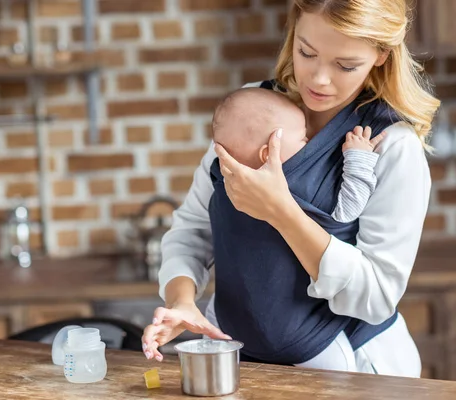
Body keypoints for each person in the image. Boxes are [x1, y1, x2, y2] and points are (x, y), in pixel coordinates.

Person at [142, 0, 439, 377]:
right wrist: (182, 301)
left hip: (352, 369)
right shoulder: (251, 111)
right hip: (240, 358)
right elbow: (193, 229)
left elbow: (376, 296)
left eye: (345, 65)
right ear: (293, 31)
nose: (318, 79)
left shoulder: (392, 147)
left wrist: (281, 211)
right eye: (306, 52)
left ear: (381, 55)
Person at [211, 87, 386, 224]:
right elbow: (347, 212)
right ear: (268, 154)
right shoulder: (299, 186)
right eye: (303, 138)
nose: (310, 140)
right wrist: (359, 158)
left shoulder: (227, 182)